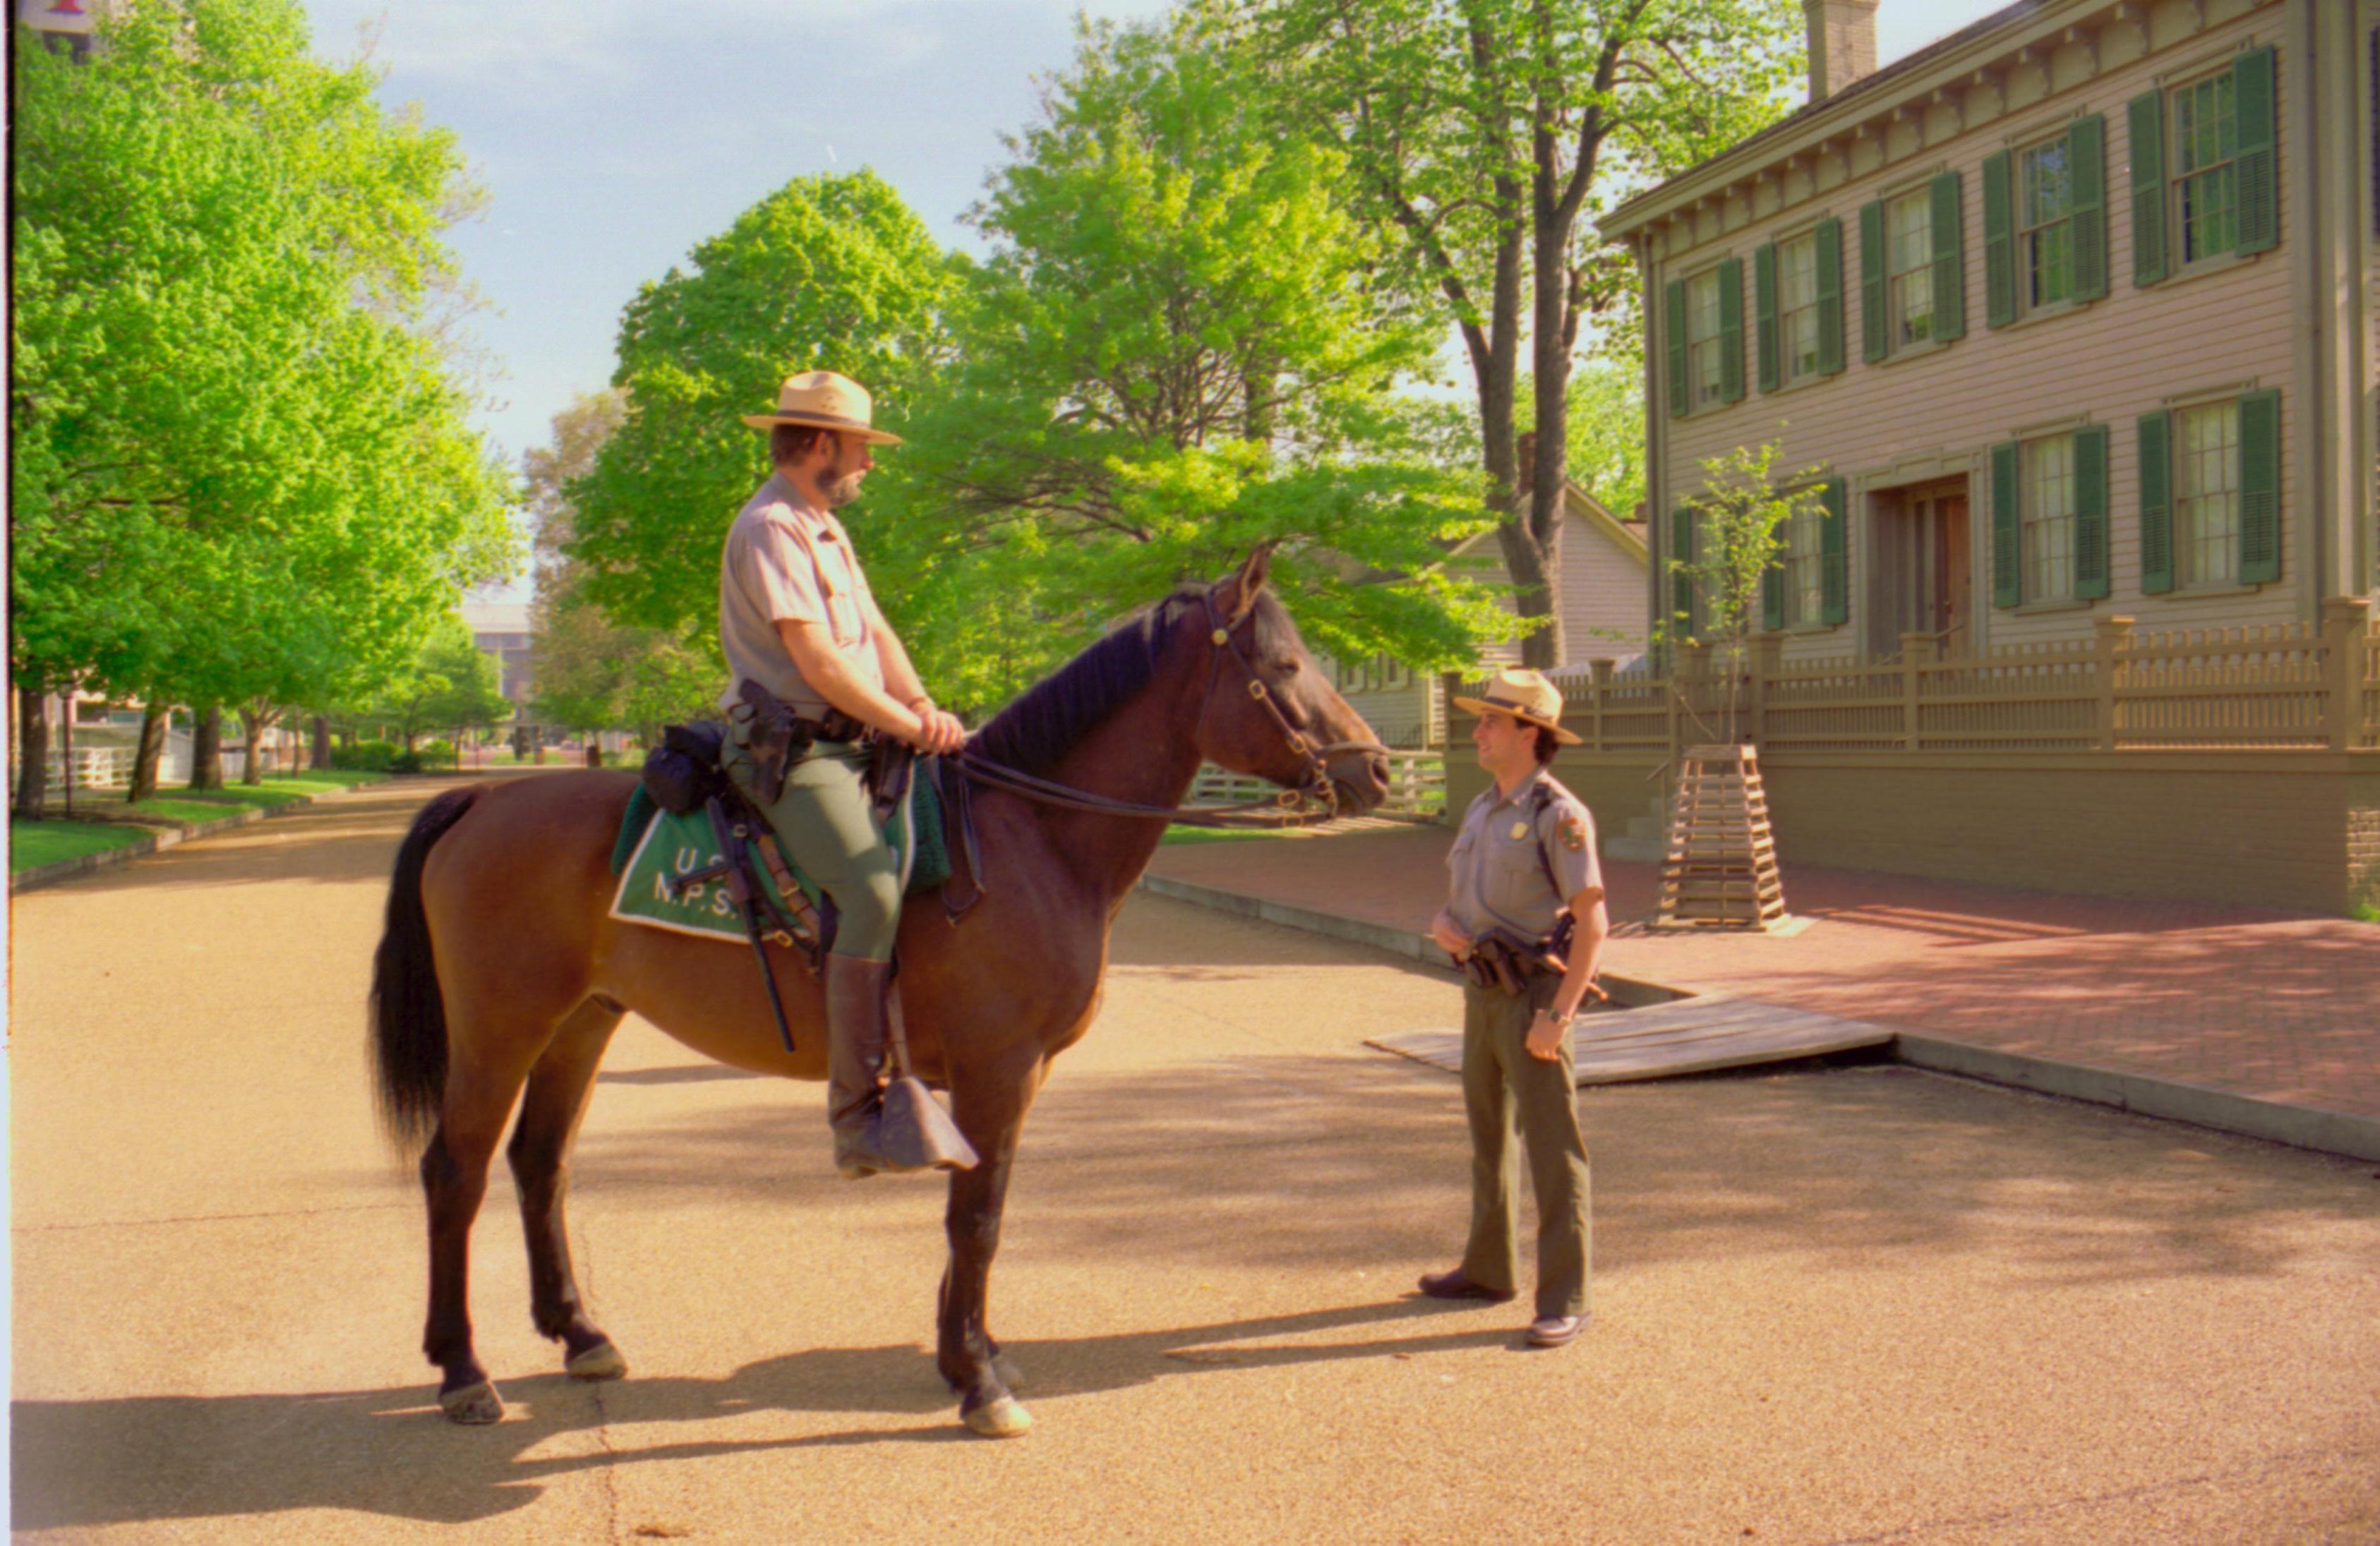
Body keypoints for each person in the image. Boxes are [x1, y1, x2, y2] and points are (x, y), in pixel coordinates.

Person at [719, 370, 966, 1178]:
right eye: (864, 447)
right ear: (821, 444)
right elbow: (817, 659)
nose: (870, 463)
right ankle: (856, 1116)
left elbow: (875, 632)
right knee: (871, 891)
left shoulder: (824, 525)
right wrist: (907, 726)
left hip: (860, 741)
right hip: (796, 751)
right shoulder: (770, 527)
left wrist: (922, 702)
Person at [1418, 668, 1611, 1348]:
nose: (1478, 731)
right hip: (1479, 990)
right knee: (1487, 1138)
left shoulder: (1558, 814)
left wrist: (1558, 1016)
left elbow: (1593, 925)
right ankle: (1488, 1268)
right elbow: (1458, 899)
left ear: (1530, 733)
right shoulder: (1481, 807)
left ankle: (1567, 1296)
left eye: (1491, 722)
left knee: (1555, 1152)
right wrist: (1444, 921)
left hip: (1533, 997)